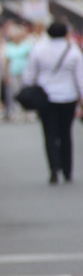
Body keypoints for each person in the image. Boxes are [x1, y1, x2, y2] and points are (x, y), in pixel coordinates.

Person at [23, 21, 83, 184]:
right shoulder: (73, 51)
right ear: (65, 33)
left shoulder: (39, 49)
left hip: (46, 97)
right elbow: (80, 78)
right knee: (65, 134)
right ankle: (68, 170)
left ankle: (54, 169)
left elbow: (29, 75)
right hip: (68, 96)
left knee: (49, 134)